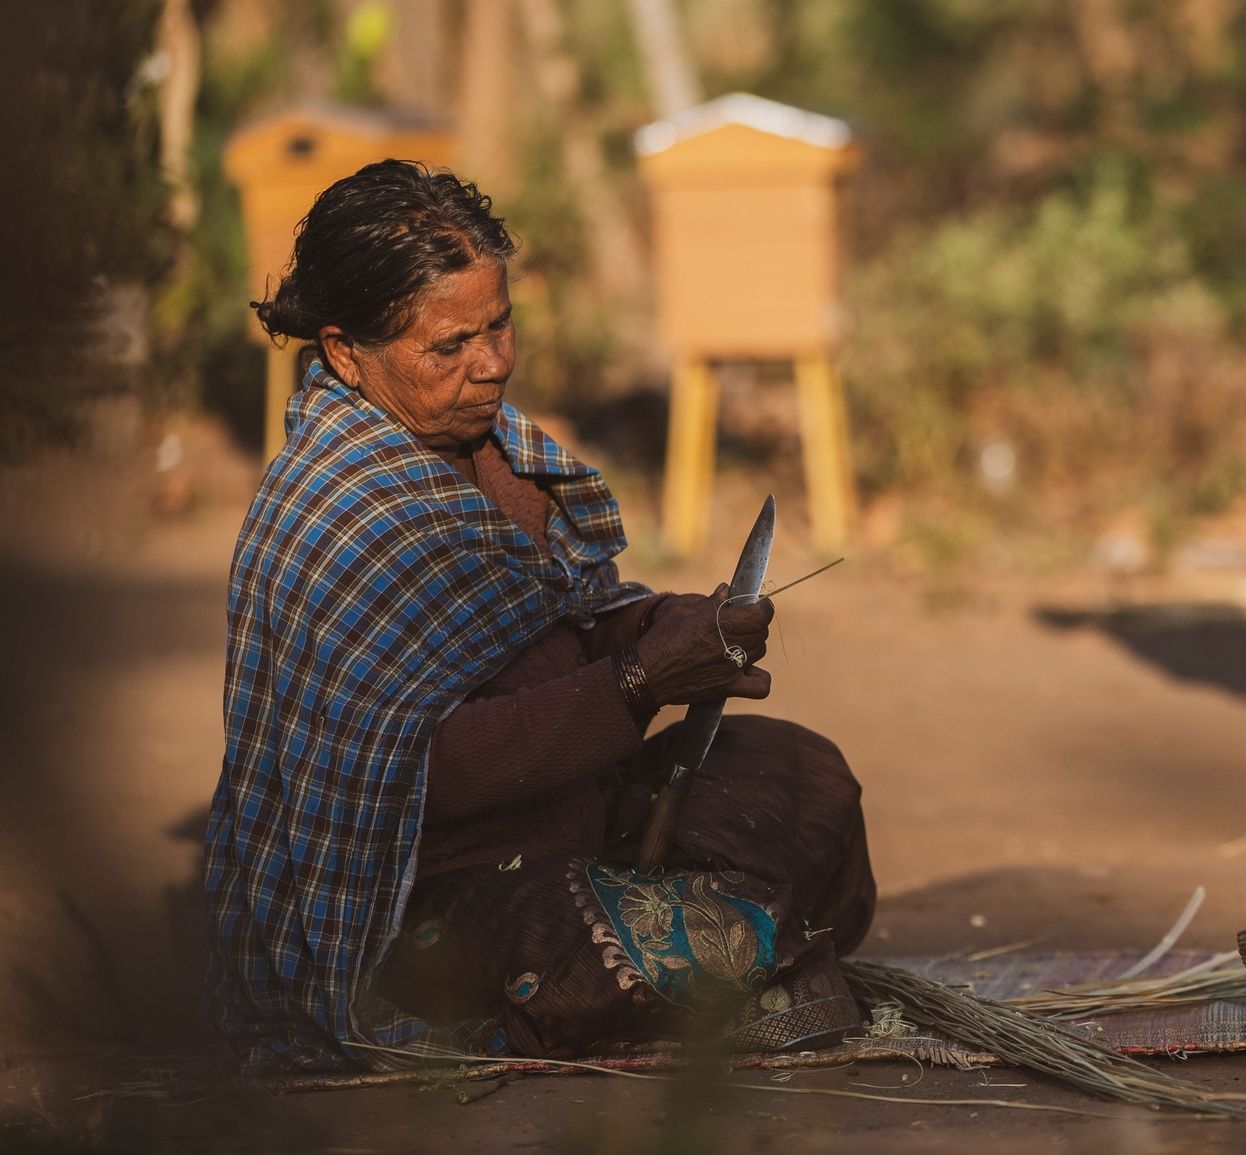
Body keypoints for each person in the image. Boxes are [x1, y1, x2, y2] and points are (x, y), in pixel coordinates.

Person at [204, 160, 874, 1074]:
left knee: (805, 777)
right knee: (587, 945)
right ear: (345, 352)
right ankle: (713, 970)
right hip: (428, 894)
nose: (492, 364)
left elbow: (567, 620)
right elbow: (413, 771)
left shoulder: (499, 453)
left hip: (584, 815)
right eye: (450, 347)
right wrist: (637, 685)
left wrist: (660, 629)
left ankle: (730, 964)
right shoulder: (335, 513)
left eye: (500, 324)